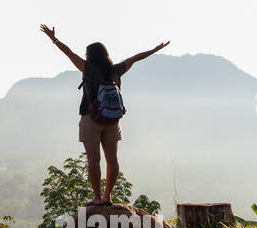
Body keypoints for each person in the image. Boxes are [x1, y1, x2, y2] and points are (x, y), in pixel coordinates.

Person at [40, 24, 170, 206]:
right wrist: (155, 50)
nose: (85, 56)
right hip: (113, 119)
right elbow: (135, 58)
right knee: (112, 160)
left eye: (86, 54)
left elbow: (68, 53)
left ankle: (97, 197)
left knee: (94, 160)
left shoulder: (88, 68)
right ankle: (108, 196)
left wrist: (53, 39)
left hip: (90, 118)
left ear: (90, 56)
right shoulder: (116, 69)